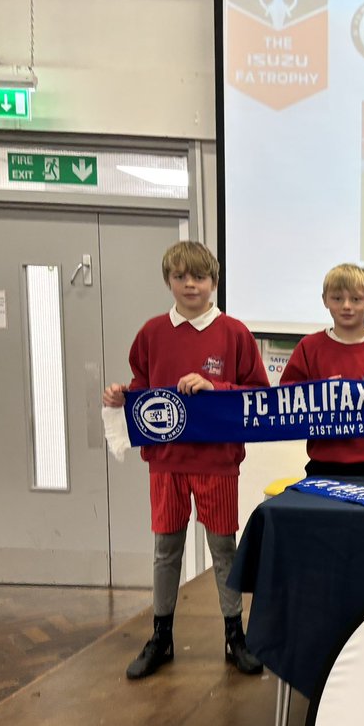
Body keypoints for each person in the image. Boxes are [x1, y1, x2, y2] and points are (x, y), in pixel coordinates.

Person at [102, 241, 269, 680]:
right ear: (168, 282)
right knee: (166, 550)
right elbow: (142, 381)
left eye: (199, 276)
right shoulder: (152, 332)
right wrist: (122, 396)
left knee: (223, 550)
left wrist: (216, 388)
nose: (190, 284)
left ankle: (235, 636)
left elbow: (258, 396)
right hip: (166, 462)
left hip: (216, 460)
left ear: (214, 281)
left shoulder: (234, 333)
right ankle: (161, 636)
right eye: (180, 276)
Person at [281, 264, 364, 478]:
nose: (346, 306)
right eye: (337, 298)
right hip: (323, 465)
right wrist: (320, 393)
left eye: (355, 299)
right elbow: (287, 400)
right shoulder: (309, 347)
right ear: (324, 300)